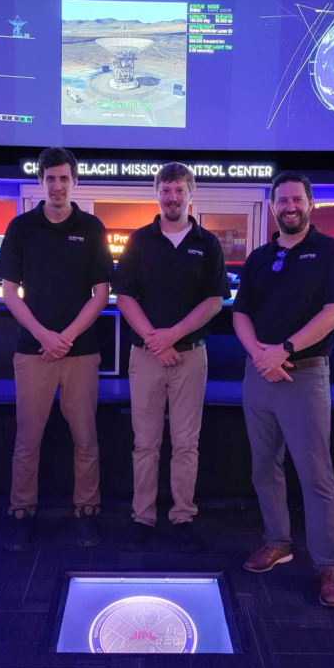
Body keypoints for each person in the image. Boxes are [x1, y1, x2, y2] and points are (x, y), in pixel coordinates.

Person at [231, 171, 334, 608]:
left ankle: (329, 567)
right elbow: (240, 313)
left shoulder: (330, 253)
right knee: (264, 468)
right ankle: (278, 542)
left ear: (309, 204)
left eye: (297, 200)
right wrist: (260, 356)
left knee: (315, 475)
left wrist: (282, 350)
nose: (290, 207)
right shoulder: (260, 258)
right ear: (272, 207)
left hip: (303, 376)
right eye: (282, 200)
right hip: (260, 376)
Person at [0, 147, 114, 551]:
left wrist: (65, 338)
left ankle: (87, 512)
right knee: (28, 439)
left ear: (75, 181)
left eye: (65, 178)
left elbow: (101, 295)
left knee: (86, 438)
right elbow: (9, 293)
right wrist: (45, 335)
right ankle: (21, 513)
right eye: (51, 179)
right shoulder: (22, 227)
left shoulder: (92, 227)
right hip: (33, 350)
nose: (58, 186)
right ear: (41, 182)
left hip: (80, 353)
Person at [114, 163, 231, 554]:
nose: (172, 197)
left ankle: (183, 517)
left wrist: (172, 337)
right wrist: (153, 340)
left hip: (190, 358)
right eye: (166, 190)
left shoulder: (208, 243)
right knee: (145, 443)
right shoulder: (139, 241)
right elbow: (124, 296)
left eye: (179, 190)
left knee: (186, 444)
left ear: (190, 194)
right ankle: (143, 517)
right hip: (145, 357)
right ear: (157, 194)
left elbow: (215, 301)